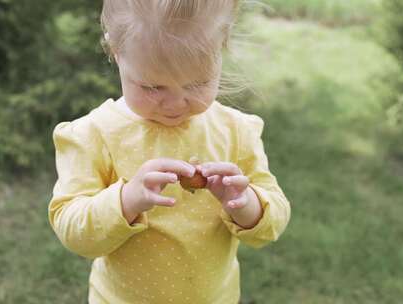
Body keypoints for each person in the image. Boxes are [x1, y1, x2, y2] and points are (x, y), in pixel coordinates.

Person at [48, 1, 291, 303]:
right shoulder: (94, 135)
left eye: (197, 83)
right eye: (152, 87)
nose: (175, 104)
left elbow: (274, 221)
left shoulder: (236, 131)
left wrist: (246, 204)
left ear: (222, 47)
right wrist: (125, 201)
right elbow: (73, 230)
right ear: (116, 49)